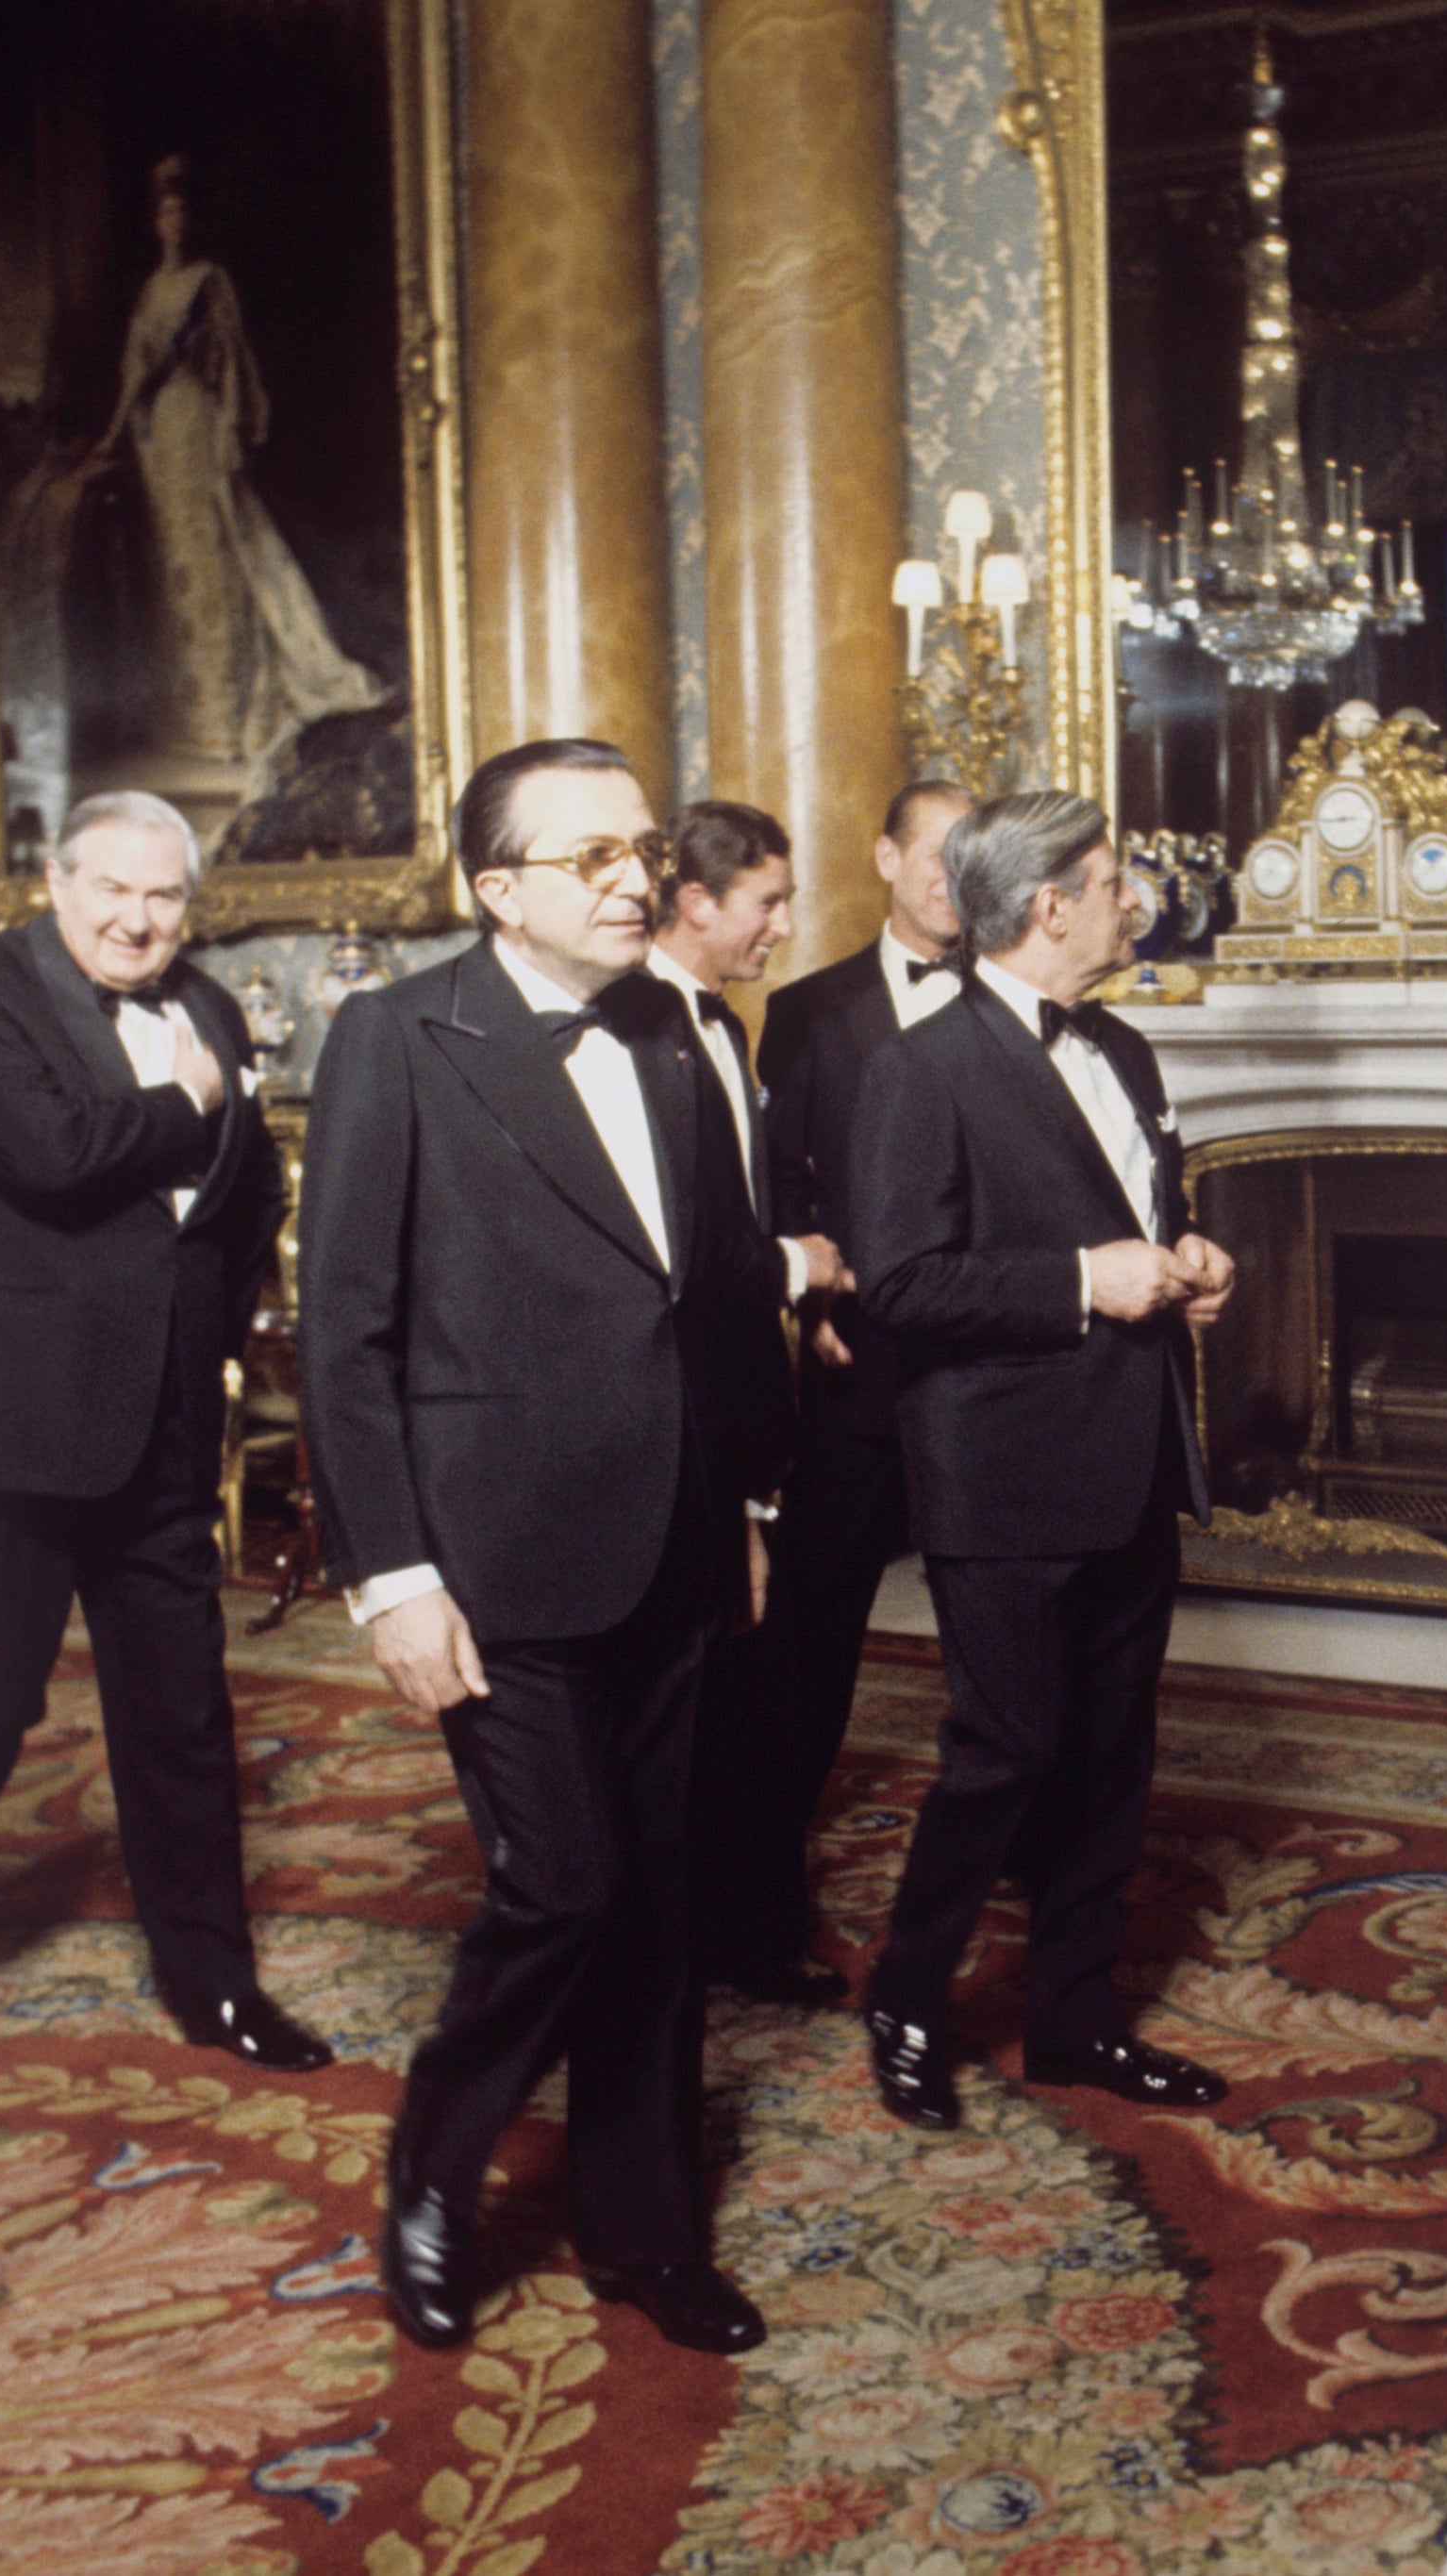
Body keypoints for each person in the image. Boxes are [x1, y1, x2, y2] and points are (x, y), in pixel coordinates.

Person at [299, 738, 785, 2357]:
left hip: (671, 1529)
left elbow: (715, 1297)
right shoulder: (398, 1037)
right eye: (588, 857)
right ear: (495, 888)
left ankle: (646, 2232)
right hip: (491, 1551)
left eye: (639, 846)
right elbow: (343, 1335)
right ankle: (434, 2173)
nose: (634, 876)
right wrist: (393, 1573)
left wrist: (751, 1501)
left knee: (656, 1896)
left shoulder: (678, 1025)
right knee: (563, 1883)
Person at [0, 790, 331, 2073]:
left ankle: (215, 1981)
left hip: (163, 1417)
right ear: (56, 879)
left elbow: (250, 1192)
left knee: (181, 1710)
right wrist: (189, 1105)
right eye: (114, 891)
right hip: (9, 1421)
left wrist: (209, 1331)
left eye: (166, 897)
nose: (140, 920)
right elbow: (52, 1152)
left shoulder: (211, 1008)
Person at [847, 789, 1238, 2132]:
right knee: (1002, 1748)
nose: (1138, 897)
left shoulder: (1123, 1047)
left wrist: (1188, 1264)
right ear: (1050, 903)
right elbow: (898, 1282)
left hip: (1131, 1453)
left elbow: (1140, 1214)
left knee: (1114, 1750)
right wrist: (1084, 1277)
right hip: (1002, 1468)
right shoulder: (919, 1066)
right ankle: (906, 1993)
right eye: (1116, 877)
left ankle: (1076, 2017)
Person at [707, 778, 972, 2004]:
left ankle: (1009, 1851)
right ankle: (756, 1899)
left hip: (987, 1382)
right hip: (857, 1377)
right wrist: (810, 1301)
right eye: (938, 855)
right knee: (803, 1659)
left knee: (1011, 1648)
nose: (956, 880)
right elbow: (776, 1185)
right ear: (886, 857)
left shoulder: (1021, 997)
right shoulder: (807, 1011)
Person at [642, 797, 860, 2006]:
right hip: (680, 1405)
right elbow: (687, 1243)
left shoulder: (727, 1027)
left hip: (741, 1396)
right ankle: (699, 1941)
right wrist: (801, 1265)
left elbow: (752, 1194)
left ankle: (741, 1930)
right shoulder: (638, 1031)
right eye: (768, 902)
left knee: (750, 1690)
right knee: (705, 1697)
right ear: (697, 903)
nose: (784, 924)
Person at [89, 155, 383, 792]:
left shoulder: (209, 280)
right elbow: (134, 372)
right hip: (160, 433)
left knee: (216, 562)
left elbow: (228, 365)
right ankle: (186, 719)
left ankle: (227, 719)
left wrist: (227, 431)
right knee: (176, 568)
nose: (176, 223)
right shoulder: (148, 290)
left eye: (184, 211)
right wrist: (116, 430)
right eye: (166, 213)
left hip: (197, 423)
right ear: (154, 223)